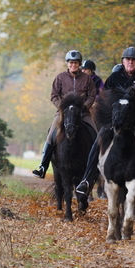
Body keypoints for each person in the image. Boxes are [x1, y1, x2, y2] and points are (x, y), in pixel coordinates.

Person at [75, 47, 135, 201]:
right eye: (128, 59)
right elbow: (103, 98)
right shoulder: (114, 78)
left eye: (134, 60)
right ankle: (86, 181)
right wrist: (113, 113)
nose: (130, 62)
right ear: (123, 61)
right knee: (97, 143)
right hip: (115, 121)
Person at [32, 50, 97, 179]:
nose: (73, 65)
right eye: (71, 62)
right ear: (67, 64)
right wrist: (62, 107)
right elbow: (54, 96)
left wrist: (84, 107)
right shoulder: (60, 78)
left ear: (79, 64)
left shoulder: (87, 79)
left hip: (83, 113)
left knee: (95, 134)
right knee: (51, 135)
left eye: (76, 63)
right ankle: (43, 166)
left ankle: (98, 167)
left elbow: (92, 95)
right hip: (63, 114)